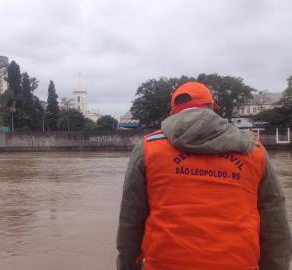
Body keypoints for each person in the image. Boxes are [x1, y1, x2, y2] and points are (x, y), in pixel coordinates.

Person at [116, 82, 292, 270]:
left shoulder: (148, 149)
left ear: (173, 111)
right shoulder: (253, 150)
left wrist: (127, 265)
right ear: (211, 107)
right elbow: (275, 226)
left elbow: (131, 222)